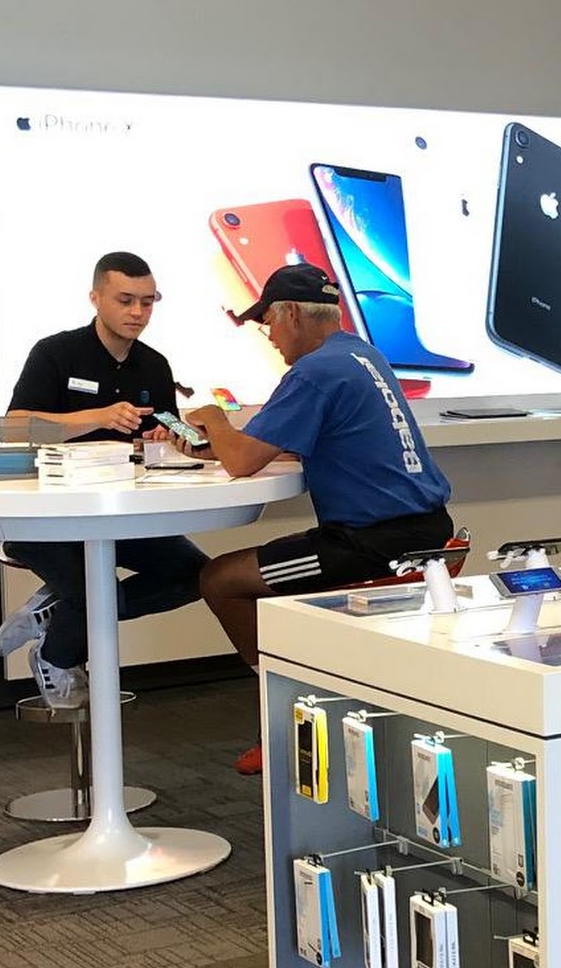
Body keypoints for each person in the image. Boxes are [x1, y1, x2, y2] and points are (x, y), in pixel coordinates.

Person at [185, 263, 453, 766]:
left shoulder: (312, 372)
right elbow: (300, 441)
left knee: (220, 579)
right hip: (426, 529)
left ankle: (283, 716)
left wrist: (215, 420)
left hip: (372, 543)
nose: (270, 336)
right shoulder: (361, 354)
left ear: (290, 312)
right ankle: (313, 696)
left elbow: (242, 462)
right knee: (270, 571)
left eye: (268, 322)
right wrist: (217, 446)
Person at [0, 251, 205, 706]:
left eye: (148, 302)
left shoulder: (154, 364)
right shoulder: (55, 352)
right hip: (49, 516)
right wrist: (96, 417)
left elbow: (163, 434)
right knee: (100, 596)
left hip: (120, 512)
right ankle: (58, 653)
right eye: (125, 300)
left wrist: (166, 439)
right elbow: (15, 427)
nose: (137, 312)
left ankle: (58, 616)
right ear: (95, 298)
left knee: (196, 576)